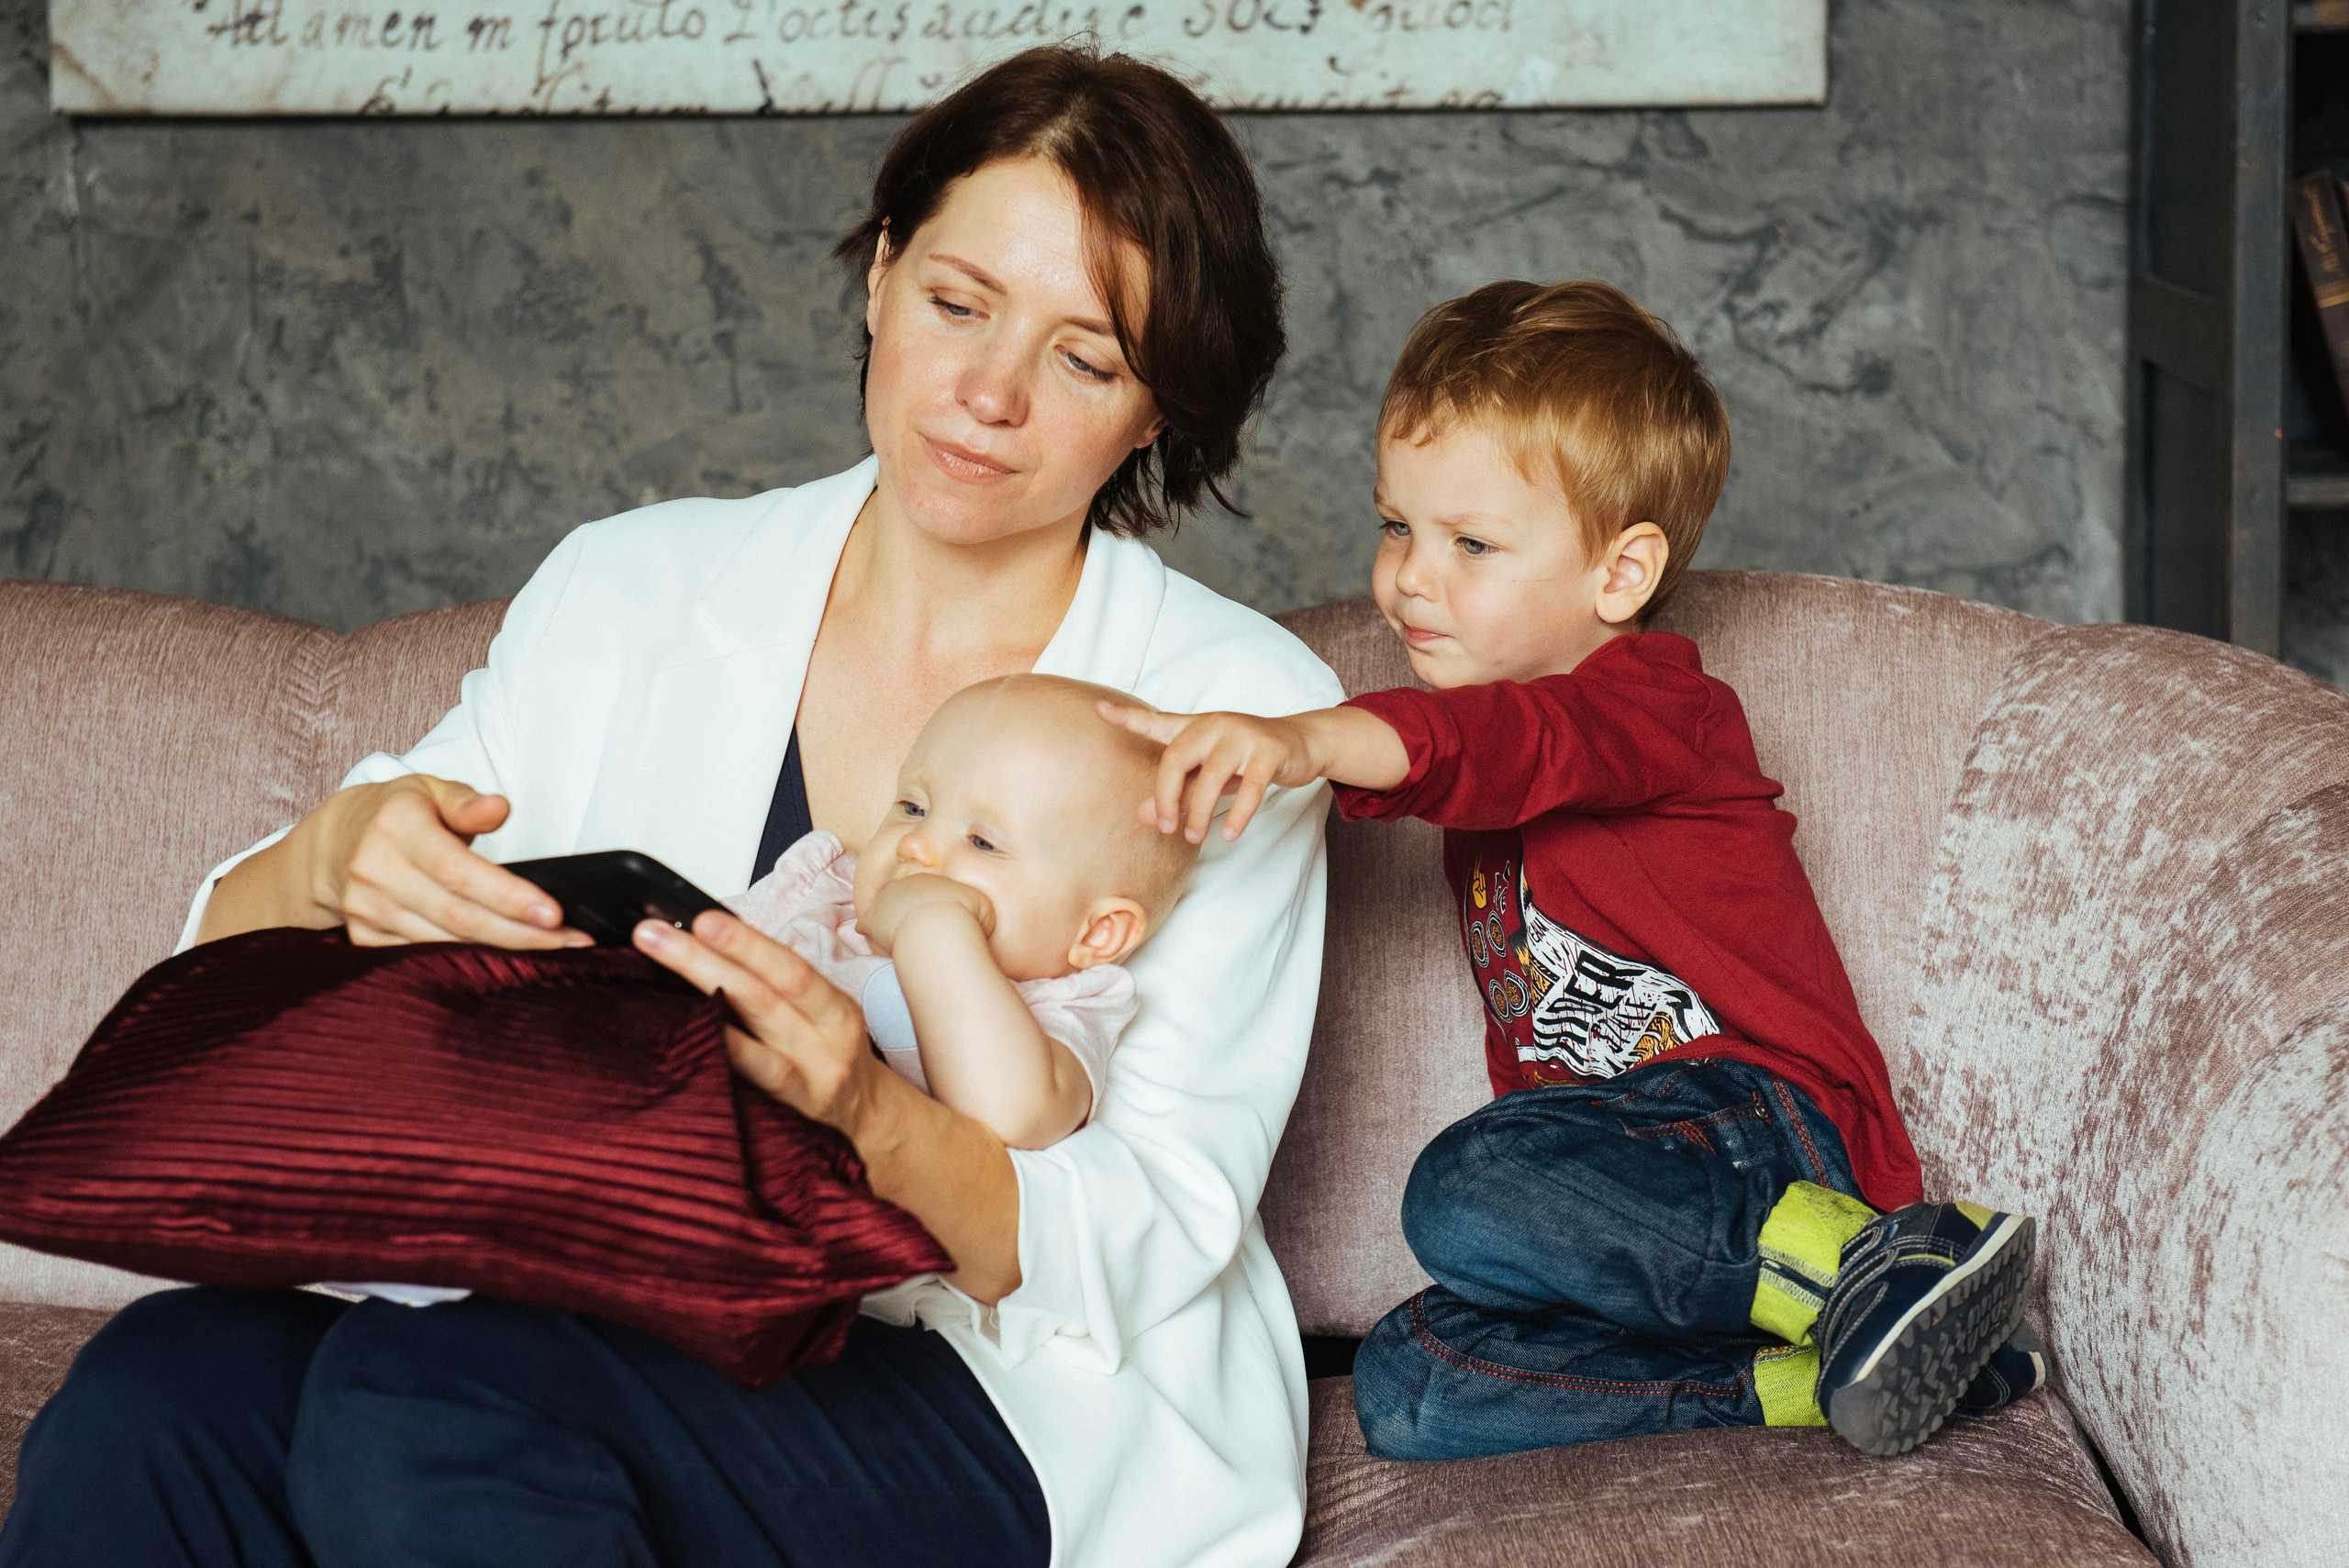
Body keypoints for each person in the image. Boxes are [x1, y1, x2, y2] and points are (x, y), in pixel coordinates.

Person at [0, 44, 1341, 1568]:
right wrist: (331, 858)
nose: (989, 394)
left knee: (436, 1398)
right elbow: (235, 960)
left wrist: (872, 1117)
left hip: (999, 1377)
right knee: (147, 1394)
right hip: (597, 1301)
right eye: (958, 304)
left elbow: (1155, 1229)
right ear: (881, 274)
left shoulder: (1234, 715)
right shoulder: (634, 584)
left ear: (1158, 410)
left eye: (1085, 358)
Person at [1103, 278, 2048, 1463]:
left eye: (1471, 544)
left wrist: (1308, 738)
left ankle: (1868, 1259)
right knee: (1408, 1388)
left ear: (1620, 573)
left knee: (1466, 1186)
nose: (1410, 578)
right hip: (1629, 1179)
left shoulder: (1663, 706)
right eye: (1397, 526)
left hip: (1758, 1129)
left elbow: (1513, 749)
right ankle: (1823, 1371)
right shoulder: (1489, 722)